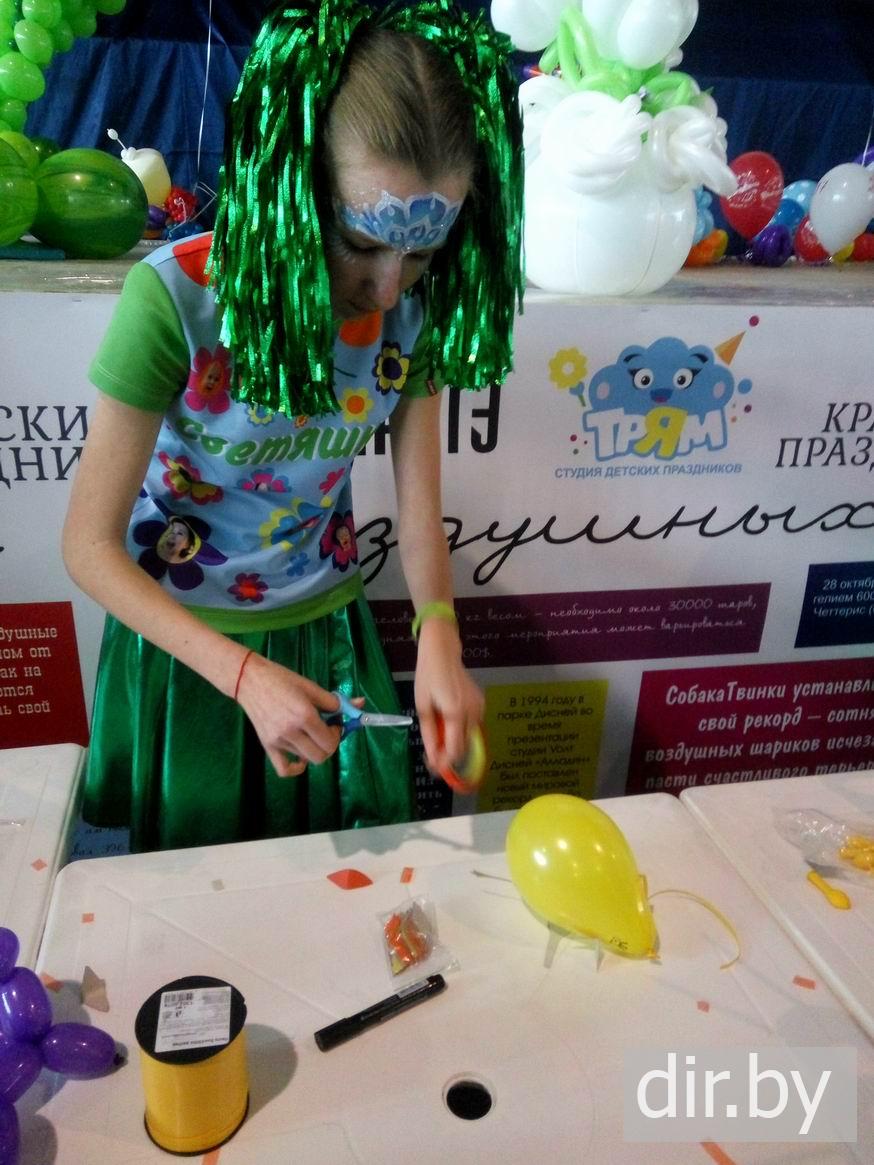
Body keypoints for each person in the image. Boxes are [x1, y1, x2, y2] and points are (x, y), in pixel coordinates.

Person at [62, 0, 524, 853]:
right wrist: (239, 674)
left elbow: (420, 513)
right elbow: (88, 547)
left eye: (423, 254)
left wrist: (439, 633)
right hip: (190, 649)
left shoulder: (415, 313)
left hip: (326, 631)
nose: (389, 289)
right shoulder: (176, 299)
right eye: (360, 243)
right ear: (291, 186)